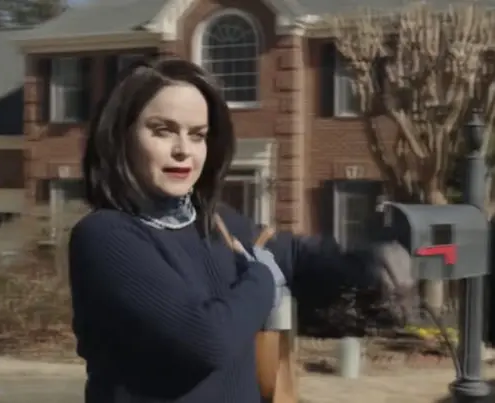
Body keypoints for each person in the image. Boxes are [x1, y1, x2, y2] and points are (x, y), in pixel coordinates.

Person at [69, 54, 409, 403]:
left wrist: (370, 265)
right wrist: (262, 277)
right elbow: (207, 341)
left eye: (197, 135)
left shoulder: (217, 221)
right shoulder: (105, 236)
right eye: (163, 130)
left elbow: (293, 255)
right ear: (121, 136)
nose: (183, 150)